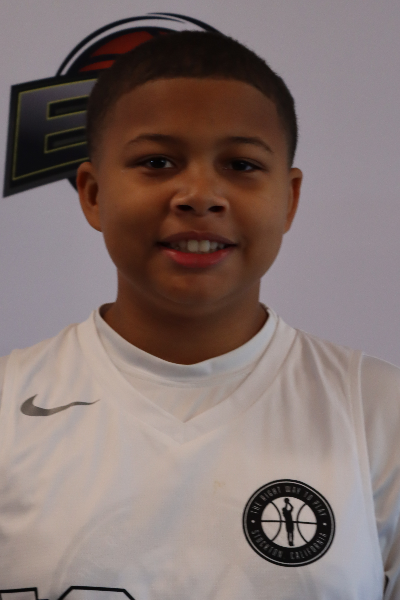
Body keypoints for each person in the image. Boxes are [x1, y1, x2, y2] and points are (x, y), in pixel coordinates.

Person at [0, 30, 399, 600]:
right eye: (157, 161)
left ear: (289, 199)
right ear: (92, 194)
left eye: (240, 164)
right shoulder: (9, 406)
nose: (200, 195)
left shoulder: (378, 411)